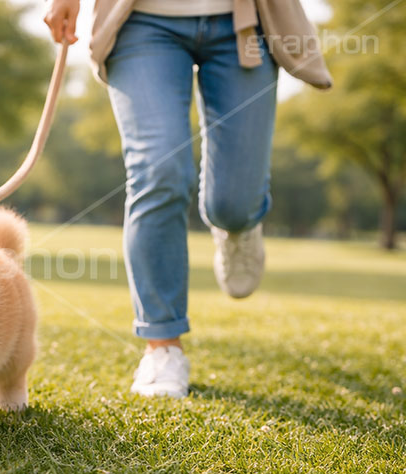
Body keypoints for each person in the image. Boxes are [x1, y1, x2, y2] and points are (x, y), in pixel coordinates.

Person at [44, 0, 331, 397]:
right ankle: (162, 346)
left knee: (233, 202)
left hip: (245, 22)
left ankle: (238, 226)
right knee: (157, 171)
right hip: (140, 21)